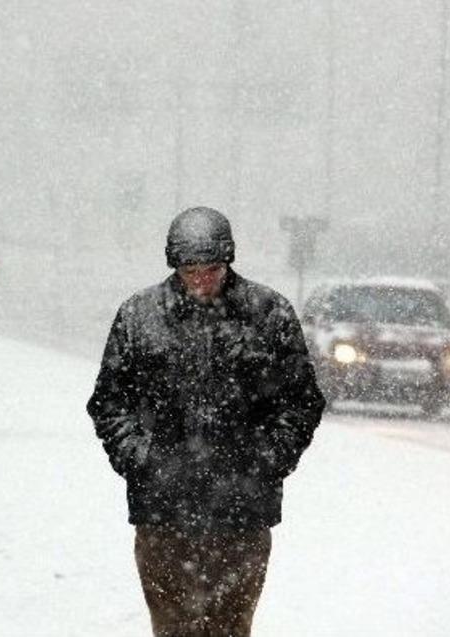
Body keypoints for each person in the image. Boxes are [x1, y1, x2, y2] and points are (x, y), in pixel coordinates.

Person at [87, 206, 325, 636]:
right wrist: (140, 458)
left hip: (242, 513)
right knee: (174, 629)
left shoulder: (268, 314)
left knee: (231, 628)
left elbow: (302, 401)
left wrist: (267, 459)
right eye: (190, 270)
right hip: (162, 512)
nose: (200, 280)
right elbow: (109, 402)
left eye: (211, 269)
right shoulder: (139, 317)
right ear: (174, 265)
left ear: (228, 261)